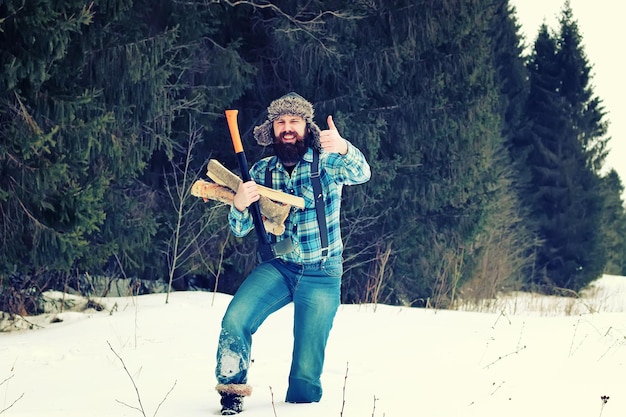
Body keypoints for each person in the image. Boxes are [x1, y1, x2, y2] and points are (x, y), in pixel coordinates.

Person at [214, 92, 371, 415]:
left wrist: (343, 148)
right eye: (281, 122)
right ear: (272, 131)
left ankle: (301, 408)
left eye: (294, 122)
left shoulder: (326, 164)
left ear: (306, 128)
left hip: (322, 273)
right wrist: (240, 204)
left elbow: (362, 173)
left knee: (305, 374)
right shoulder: (260, 171)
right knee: (235, 319)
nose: (287, 128)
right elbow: (241, 228)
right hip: (279, 268)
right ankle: (231, 391)